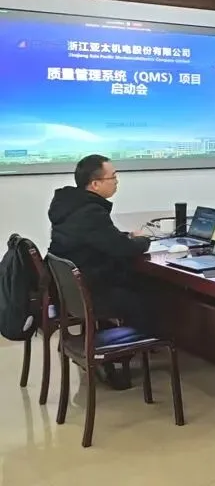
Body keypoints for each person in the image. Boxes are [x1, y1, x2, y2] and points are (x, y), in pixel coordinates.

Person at [47, 155, 153, 388]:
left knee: (135, 285)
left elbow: (102, 240)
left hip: (71, 293)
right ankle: (116, 356)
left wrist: (125, 239)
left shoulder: (70, 206)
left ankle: (114, 352)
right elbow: (122, 249)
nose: (116, 181)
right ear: (95, 184)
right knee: (149, 296)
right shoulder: (90, 212)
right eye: (112, 177)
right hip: (91, 291)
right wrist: (143, 241)